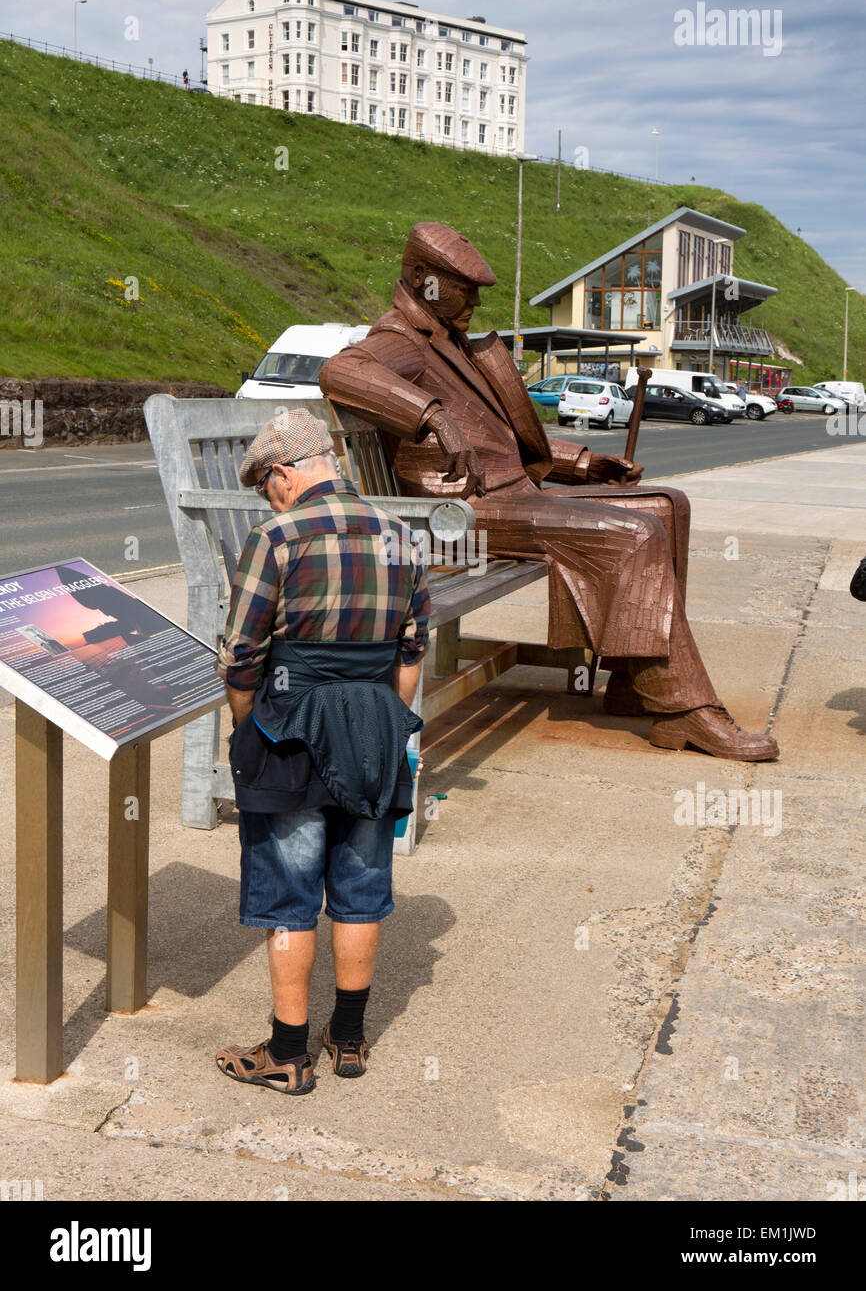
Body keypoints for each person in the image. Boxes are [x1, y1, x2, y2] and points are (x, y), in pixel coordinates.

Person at [319, 222, 778, 762]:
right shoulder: (401, 341)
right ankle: (684, 710)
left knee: (666, 504)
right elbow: (342, 370)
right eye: (465, 287)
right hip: (460, 515)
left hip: (513, 497)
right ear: (423, 279)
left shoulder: (449, 342)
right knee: (631, 532)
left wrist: (585, 463)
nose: (477, 300)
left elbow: (502, 442)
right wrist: (430, 415)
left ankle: (635, 678)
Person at [215, 409, 430, 1094]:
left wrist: (248, 726)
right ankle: (349, 1036)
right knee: (361, 887)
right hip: (375, 724)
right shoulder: (401, 537)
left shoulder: (274, 538)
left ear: (283, 472)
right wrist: (392, 727)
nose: (267, 498)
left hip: (292, 726)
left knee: (289, 895)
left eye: (264, 484)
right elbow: (411, 653)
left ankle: (286, 1054)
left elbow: (240, 655)